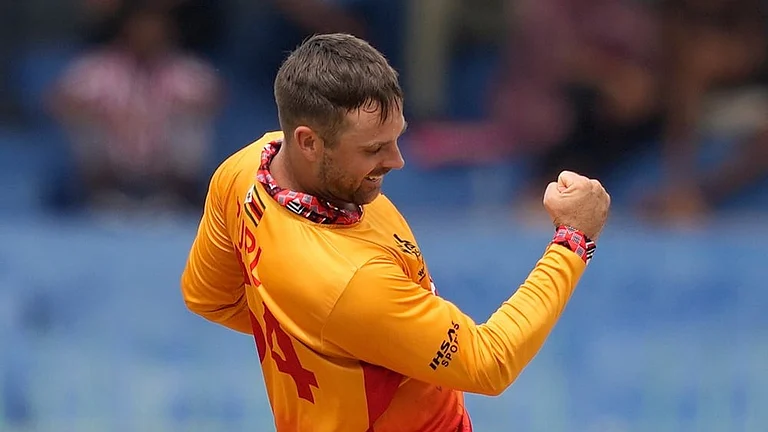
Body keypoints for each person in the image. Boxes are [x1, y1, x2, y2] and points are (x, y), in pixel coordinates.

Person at [181, 33, 610, 432]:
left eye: (395, 138)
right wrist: (573, 238)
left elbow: (209, 297)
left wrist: (328, 335)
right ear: (308, 143)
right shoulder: (350, 282)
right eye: (373, 149)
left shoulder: (243, 170)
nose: (397, 161)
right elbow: (489, 363)